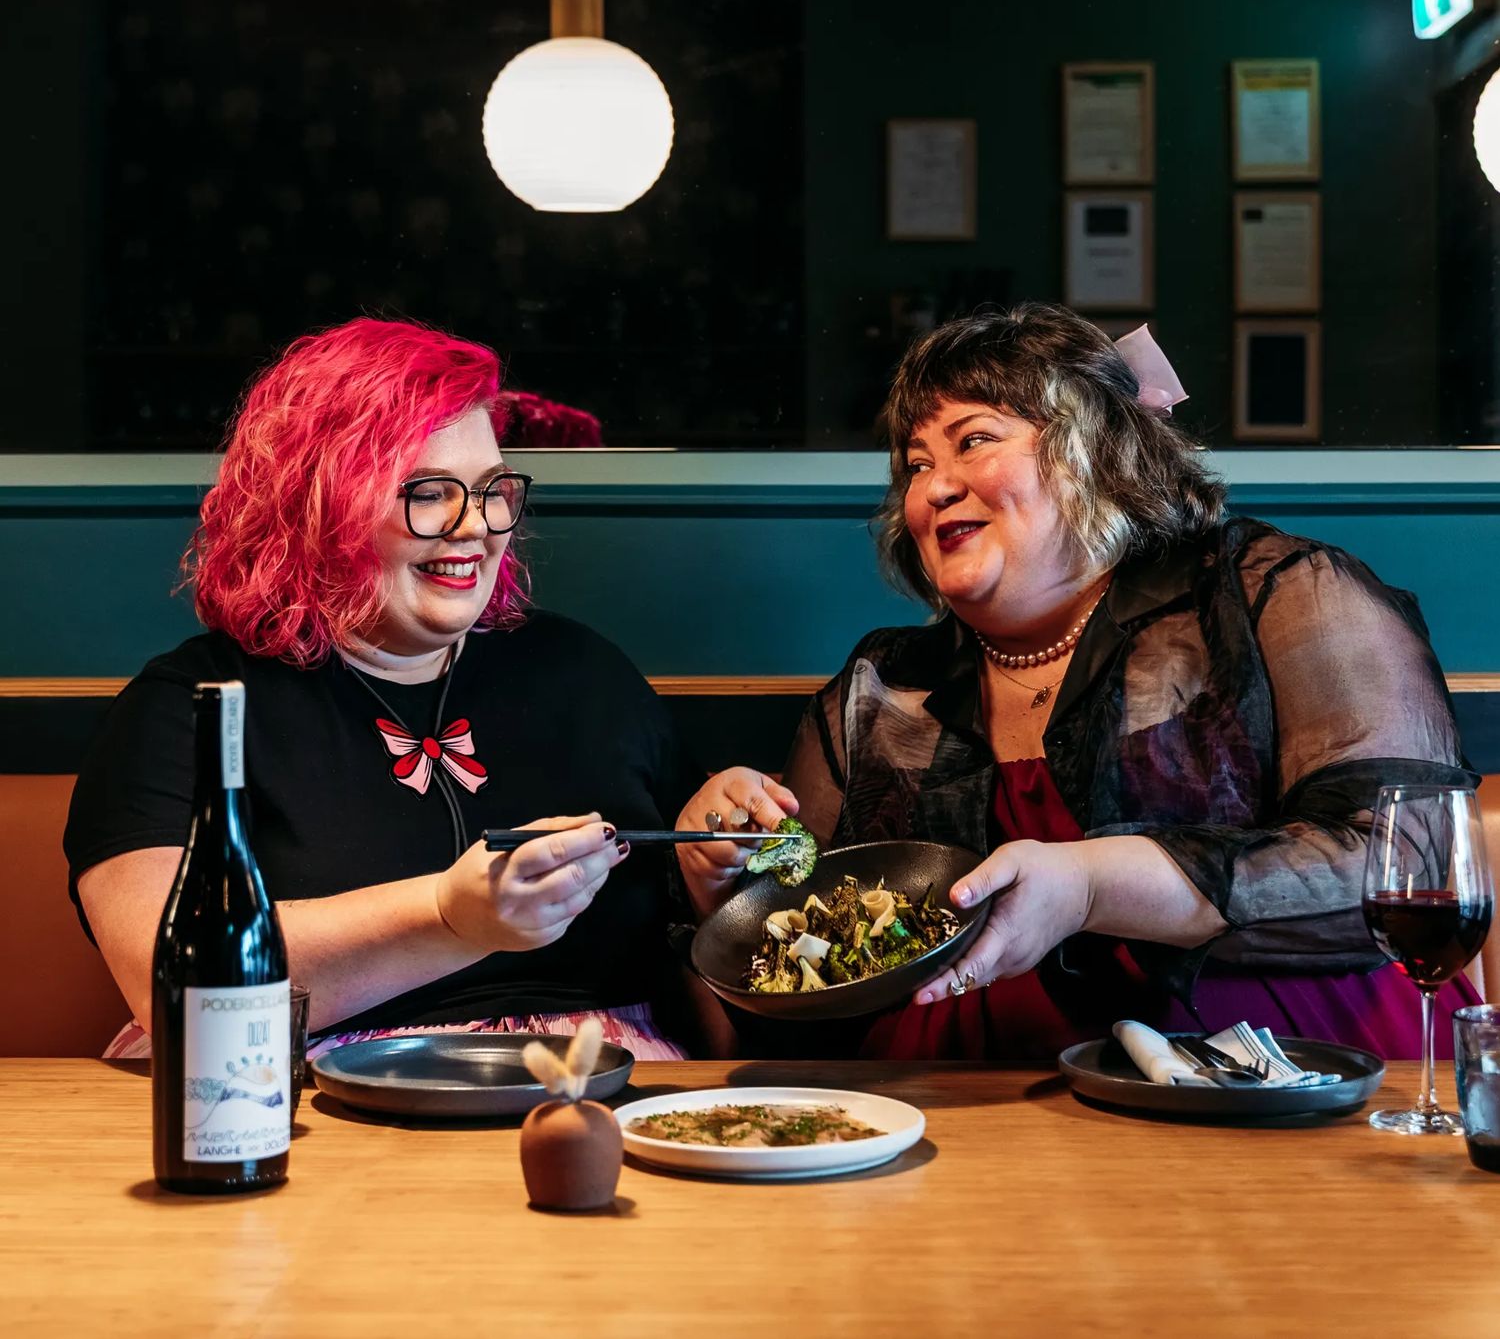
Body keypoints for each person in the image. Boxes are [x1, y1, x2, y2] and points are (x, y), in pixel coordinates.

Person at [690, 302, 1480, 1060]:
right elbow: (789, 963)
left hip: (1286, 1077)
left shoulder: (1275, 594)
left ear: (1093, 450)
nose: (931, 488)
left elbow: (1402, 866)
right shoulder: (883, 686)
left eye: (973, 441)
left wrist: (1093, 887)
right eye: (916, 465)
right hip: (960, 1108)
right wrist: (717, 871)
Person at [64, 317, 781, 1060]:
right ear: (319, 505)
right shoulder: (193, 707)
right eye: (431, 492)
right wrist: (448, 918)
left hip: (609, 1103)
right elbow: (169, 981)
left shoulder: (582, 671)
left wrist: (710, 869)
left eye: (491, 490)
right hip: (307, 1110)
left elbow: (712, 952)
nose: (475, 526)